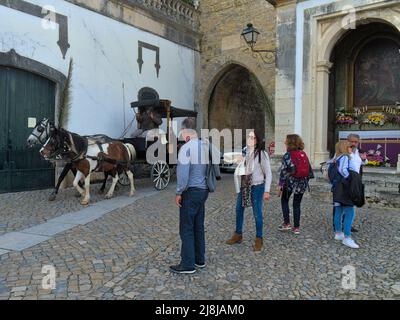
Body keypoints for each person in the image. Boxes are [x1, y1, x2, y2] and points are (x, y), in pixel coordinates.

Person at [170, 119, 220, 274]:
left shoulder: (186, 148)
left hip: (191, 191)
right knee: (198, 226)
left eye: (181, 133)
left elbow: (183, 174)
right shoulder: (205, 146)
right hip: (203, 190)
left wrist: (179, 192)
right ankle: (199, 259)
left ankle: (187, 264)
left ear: (185, 132)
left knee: (186, 227)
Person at [225, 130, 272, 252]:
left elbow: (269, 173)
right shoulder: (245, 152)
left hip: (257, 186)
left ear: (257, 140)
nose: (249, 139)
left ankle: (259, 239)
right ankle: (238, 234)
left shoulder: (262, 154)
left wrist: (267, 191)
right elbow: (242, 167)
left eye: (252, 137)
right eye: (249, 137)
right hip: (244, 185)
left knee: (257, 213)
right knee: (238, 209)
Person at [277, 134, 314, 235]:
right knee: (297, 204)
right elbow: (308, 169)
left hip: (290, 182)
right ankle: (296, 228)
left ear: (289, 143)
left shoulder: (287, 155)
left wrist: (280, 184)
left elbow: (283, 171)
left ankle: (287, 223)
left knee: (284, 200)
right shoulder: (303, 153)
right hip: (302, 182)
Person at [332, 140, 360, 249]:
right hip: (345, 188)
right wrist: (350, 180)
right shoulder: (345, 157)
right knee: (349, 212)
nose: (351, 148)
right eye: (349, 146)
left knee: (338, 210)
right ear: (345, 147)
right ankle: (347, 238)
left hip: (338, 188)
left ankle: (338, 233)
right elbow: (343, 170)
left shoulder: (337, 158)